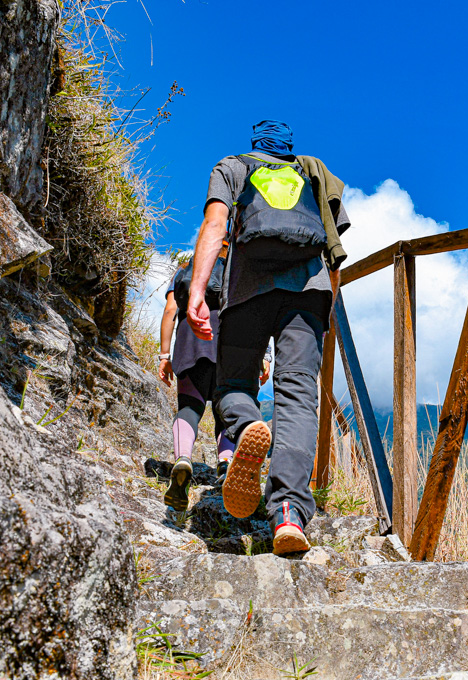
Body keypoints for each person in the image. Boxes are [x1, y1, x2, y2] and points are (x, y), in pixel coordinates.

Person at [186, 120, 350, 555]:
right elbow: (334, 246)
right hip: (309, 294)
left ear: (255, 143)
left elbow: (216, 223)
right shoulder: (314, 171)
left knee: (233, 386)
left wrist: (198, 292)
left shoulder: (232, 166)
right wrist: (325, 303)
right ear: (288, 146)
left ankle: (247, 430)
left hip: (246, 294)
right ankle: (289, 514)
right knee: (297, 395)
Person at [155, 250, 270, 511]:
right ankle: (226, 464)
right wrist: (263, 354)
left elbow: (170, 310)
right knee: (225, 411)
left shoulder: (187, 269)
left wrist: (164, 355)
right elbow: (254, 311)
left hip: (190, 337)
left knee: (189, 407)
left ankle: (183, 458)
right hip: (227, 341)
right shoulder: (236, 267)